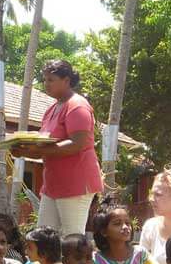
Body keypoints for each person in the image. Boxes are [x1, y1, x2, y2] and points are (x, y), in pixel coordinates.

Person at [9, 60, 103, 236]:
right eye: (45, 79)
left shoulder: (77, 106)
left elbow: (77, 144)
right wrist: (25, 150)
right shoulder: (52, 109)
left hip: (75, 184)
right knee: (44, 238)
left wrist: (38, 151)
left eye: (51, 79)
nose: (46, 84)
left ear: (66, 81)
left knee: (71, 238)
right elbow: (47, 147)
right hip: (53, 185)